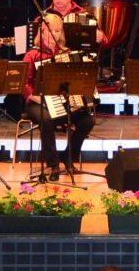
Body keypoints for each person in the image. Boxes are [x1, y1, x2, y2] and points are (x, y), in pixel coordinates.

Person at [22, 13, 96, 181]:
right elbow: (24, 83)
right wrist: (34, 96)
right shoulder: (32, 55)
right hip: (36, 101)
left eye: (57, 31)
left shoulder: (66, 53)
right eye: (49, 31)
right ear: (41, 32)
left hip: (61, 101)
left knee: (87, 121)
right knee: (46, 119)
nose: (53, 34)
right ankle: (52, 164)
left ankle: (68, 156)